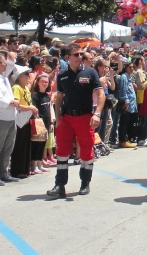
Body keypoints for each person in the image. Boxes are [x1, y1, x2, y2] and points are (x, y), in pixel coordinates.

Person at [47, 43, 105, 198]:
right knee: (62, 151)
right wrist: (58, 118)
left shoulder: (90, 72)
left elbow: (101, 95)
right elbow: (59, 97)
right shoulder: (62, 75)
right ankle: (60, 185)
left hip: (85, 117)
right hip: (66, 118)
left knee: (86, 150)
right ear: (68, 57)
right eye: (76, 55)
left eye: (81, 54)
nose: (80, 57)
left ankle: (85, 183)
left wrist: (97, 114)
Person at [0, 53, 21, 186]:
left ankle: (4, 173)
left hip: (11, 118)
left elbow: (10, 67)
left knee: (8, 148)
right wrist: (11, 102)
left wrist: (11, 60)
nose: (6, 65)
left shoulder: (3, 76)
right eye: (3, 62)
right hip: (1, 118)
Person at [10, 67, 38, 178]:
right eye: (26, 74)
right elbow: (17, 104)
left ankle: (25, 169)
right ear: (20, 76)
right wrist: (30, 108)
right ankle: (17, 170)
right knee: (19, 146)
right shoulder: (16, 87)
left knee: (26, 145)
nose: (28, 76)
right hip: (19, 120)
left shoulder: (25, 88)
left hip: (26, 119)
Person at [31, 72, 52, 175]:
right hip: (39, 123)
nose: (45, 83)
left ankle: (40, 164)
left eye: (46, 82)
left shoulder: (47, 96)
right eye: (43, 81)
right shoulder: (35, 95)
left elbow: (49, 110)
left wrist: (51, 123)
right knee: (36, 144)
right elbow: (35, 110)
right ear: (38, 82)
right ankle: (34, 166)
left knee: (43, 144)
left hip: (47, 123)